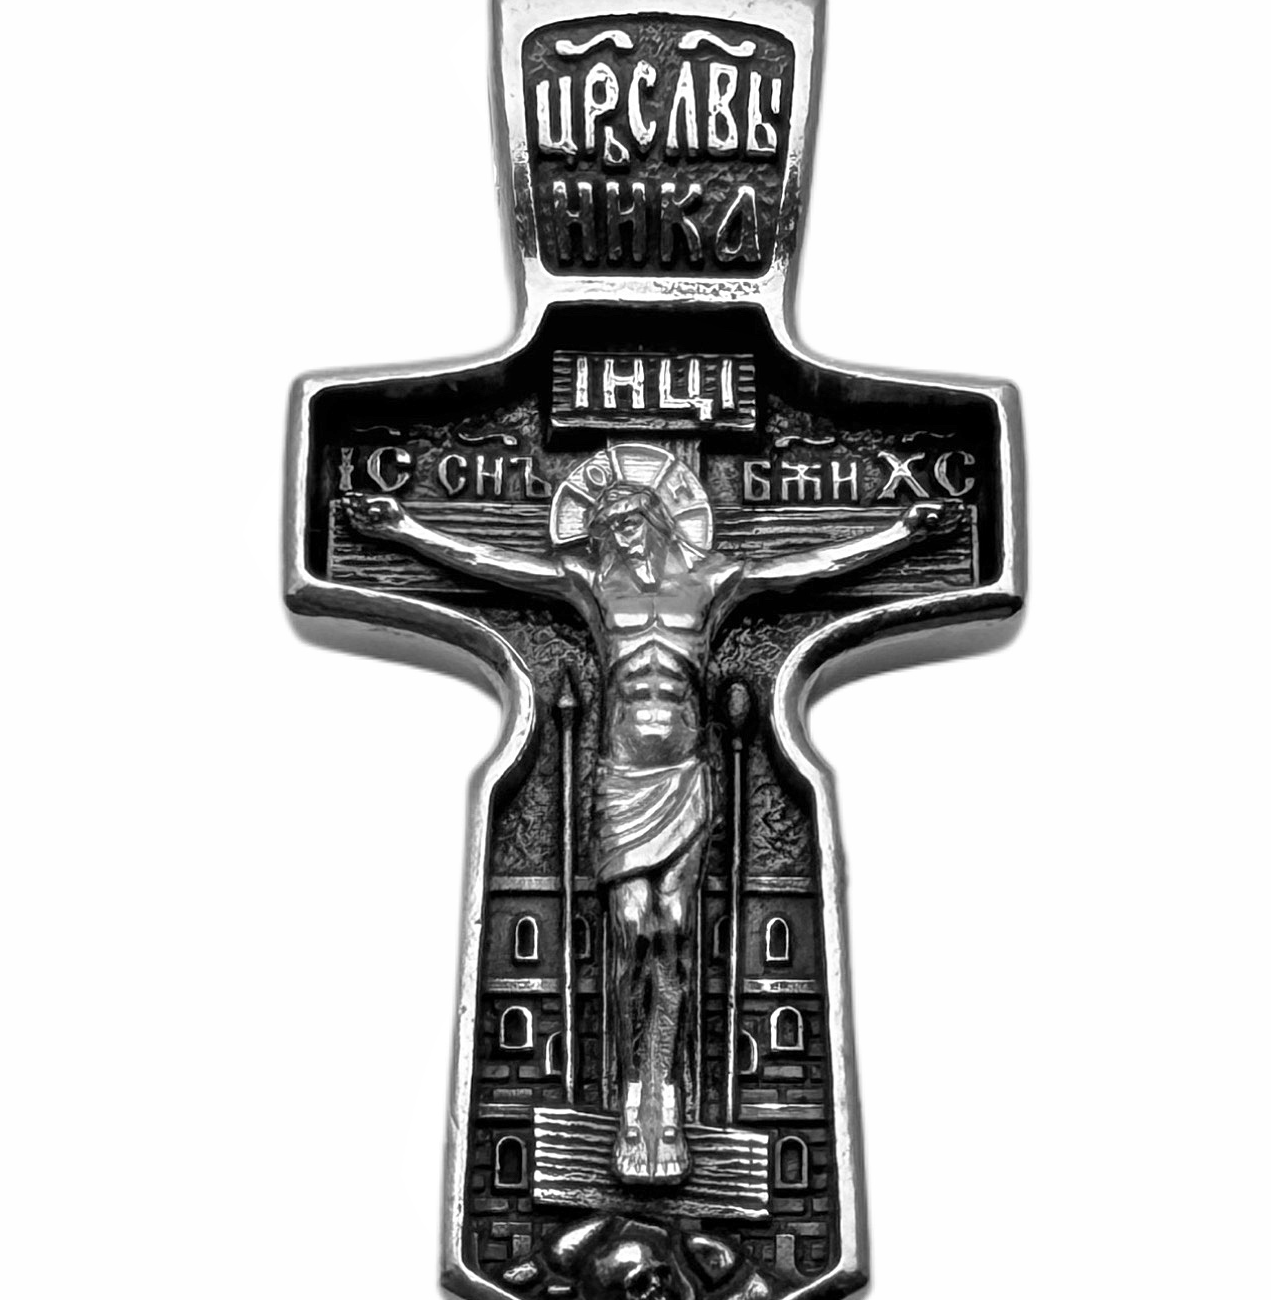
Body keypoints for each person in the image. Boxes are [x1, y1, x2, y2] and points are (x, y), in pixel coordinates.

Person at [344, 439, 914, 1180]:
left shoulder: (710, 583)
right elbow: (491, 564)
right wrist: (405, 530)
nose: (618, 535)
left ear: (656, 517)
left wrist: (901, 534)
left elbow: (812, 567)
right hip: (622, 781)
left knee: (672, 930)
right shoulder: (591, 585)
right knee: (631, 929)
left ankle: (661, 1089)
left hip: (682, 777)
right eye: (606, 526)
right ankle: (630, 1087)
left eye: (627, 521)